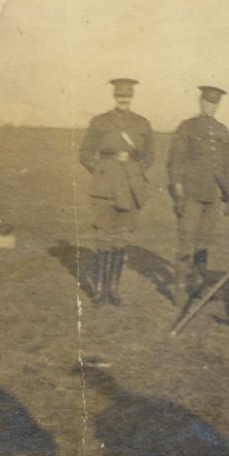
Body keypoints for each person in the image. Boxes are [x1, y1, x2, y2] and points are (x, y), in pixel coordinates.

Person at [78, 78, 155, 305]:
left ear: (132, 97)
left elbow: (150, 155)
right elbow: (84, 153)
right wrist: (99, 168)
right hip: (104, 186)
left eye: (128, 95)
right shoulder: (100, 121)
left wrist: (136, 170)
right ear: (114, 96)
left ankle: (114, 290)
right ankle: (100, 291)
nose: (124, 98)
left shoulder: (142, 123)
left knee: (120, 239)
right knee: (104, 237)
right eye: (120, 95)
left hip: (130, 187)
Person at [166, 85, 229, 294]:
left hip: (213, 195)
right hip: (191, 194)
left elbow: (228, 166)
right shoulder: (187, 127)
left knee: (204, 242)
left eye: (215, 103)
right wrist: (178, 195)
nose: (211, 106)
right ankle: (179, 287)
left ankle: (198, 284)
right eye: (207, 102)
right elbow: (175, 163)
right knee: (187, 241)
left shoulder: (222, 130)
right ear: (200, 101)